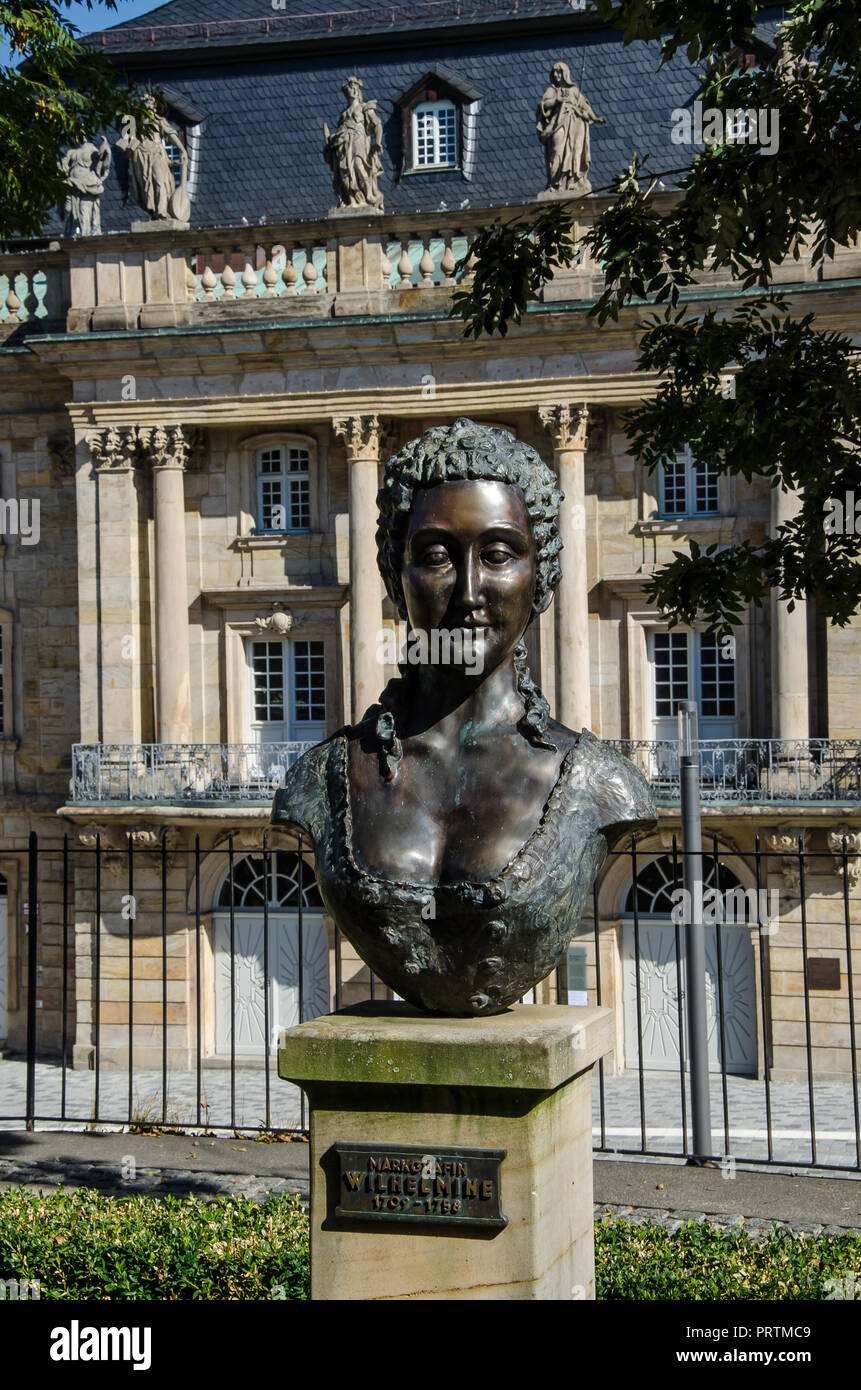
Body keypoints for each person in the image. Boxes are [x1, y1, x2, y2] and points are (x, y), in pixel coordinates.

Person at [271, 418, 655, 1013]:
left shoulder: (601, 785)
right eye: (435, 557)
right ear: (396, 578)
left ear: (541, 577)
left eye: (499, 554)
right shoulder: (323, 779)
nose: (470, 591)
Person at [116, 94, 189, 221]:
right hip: (141, 156)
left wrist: (182, 150)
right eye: (145, 104)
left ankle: (162, 212)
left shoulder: (158, 120)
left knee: (160, 180)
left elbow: (170, 134)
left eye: (150, 103)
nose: (148, 106)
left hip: (157, 153)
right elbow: (124, 140)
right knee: (146, 186)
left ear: (154, 106)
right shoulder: (134, 121)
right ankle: (154, 213)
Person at [536, 61, 605, 193]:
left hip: (575, 124)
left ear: (565, 73)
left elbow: (585, 106)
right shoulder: (552, 90)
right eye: (554, 72)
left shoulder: (574, 90)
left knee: (575, 151)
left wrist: (595, 118)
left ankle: (572, 180)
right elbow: (543, 104)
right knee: (557, 150)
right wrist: (557, 100)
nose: (556, 75)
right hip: (558, 123)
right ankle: (555, 183)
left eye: (559, 71)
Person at [323, 77, 384, 209]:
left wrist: (378, 142)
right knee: (345, 173)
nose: (350, 92)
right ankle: (352, 199)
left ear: (357, 91)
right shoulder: (343, 114)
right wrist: (332, 140)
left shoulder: (364, 108)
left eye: (352, 89)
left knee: (358, 165)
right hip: (344, 144)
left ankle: (368, 195)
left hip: (358, 139)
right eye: (348, 91)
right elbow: (340, 130)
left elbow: (377, 124)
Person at [59, 138, 111, 236]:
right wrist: (62, 165)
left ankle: (84, 235)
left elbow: (101, 163)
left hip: (87, 185)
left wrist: (105, 150)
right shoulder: (71, 152)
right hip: (72, 185)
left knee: (84, 210)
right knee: (68, 209)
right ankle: (72, 231)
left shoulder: (92, 149)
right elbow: (64, 165)